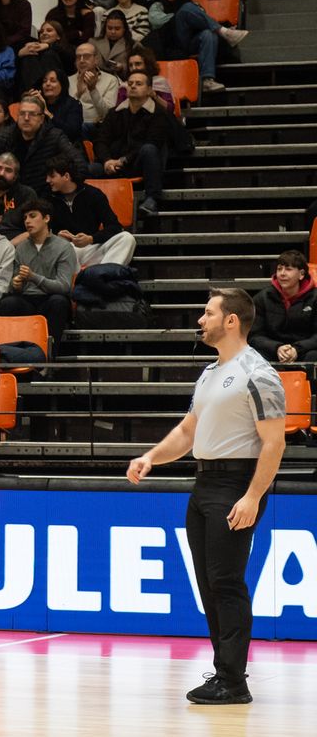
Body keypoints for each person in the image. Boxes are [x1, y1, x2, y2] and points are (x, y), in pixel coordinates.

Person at [127, 288, 286, 705]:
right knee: (209, 585)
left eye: (208, 313)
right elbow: (187, 431)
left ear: (231, 321)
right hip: (204, 485)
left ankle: (233, 680)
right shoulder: (211, 372)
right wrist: (150, 458)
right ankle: (224, 671)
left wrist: (253, 496)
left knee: (227, 583)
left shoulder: (259, 373)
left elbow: (274, 444)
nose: (201, 319)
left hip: (236, 483)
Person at [91, 70, 184, 218]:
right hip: (113, 165)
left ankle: (152, 199)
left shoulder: (158, 114)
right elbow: (100, 141)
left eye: (138, 84)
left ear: (149, 90)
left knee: (149, 149)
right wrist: (107, 160)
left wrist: (124, 160)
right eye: (130, 83)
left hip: (139, 164)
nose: (133, 86)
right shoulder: (114, 113)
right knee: (89, 169)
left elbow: (153, 141)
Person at [148, 0, 249, 95]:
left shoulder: (190, 5)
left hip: (191, 41)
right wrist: (183, 15)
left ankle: (207, 80)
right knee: (186, 10)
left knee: (208, 34)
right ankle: (224, 32)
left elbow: (202, 18)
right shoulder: (158, 6)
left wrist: (189, 13)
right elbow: (156, 20)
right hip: (172, 43)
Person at [0, 198, 77, 347]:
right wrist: (16, 284)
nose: (27, 221)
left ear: (46, 218)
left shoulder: (64, 247)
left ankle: (49, 357)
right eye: (25, 218)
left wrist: (33, 277)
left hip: (50, 299)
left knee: (58, 302)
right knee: (8, 303)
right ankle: (9, 354)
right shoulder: (21, 248)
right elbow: (15, 285)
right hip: (28, 299)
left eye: (32, 216)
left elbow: (64, 286)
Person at [44, 153, 136, 267]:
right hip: (65, 251)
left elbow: (114, 227)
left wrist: (91, 239)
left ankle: (104, 275)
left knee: (127, 238)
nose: (47, 180)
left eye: (52, 176)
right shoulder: (47, 199)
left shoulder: (93, 194)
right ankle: (98, 277)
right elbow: (41, 233)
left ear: (66, 176)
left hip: (91, 248)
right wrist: (56, 237)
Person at [250, 251, 317, 365]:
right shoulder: (262, 297)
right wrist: (277, 348)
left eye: (288, 269)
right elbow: (254, 335)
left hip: (305, 351)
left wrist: (297, 349)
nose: (282, 273)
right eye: (279, 269)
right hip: (273, 351)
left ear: (301, 274)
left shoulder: (315, 297)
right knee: (253, 355)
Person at [8, 96, 82, 197]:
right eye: (22, 114)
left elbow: (79, 165)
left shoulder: (55, 136)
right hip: (12, 196)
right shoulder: (7, 134)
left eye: (32, 114)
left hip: (47, 197)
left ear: (42, 119)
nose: (26, 118)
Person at [72, 41, 120, 137]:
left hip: (98, 127)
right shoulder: (68, 80)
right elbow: (65, 112)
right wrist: (78, 94)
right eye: (78, 57)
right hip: (73, 126)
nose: (81, 60)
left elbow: (107, 114)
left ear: (96, 60)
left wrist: (93, 90)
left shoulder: (111, 80)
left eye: (86, 56)